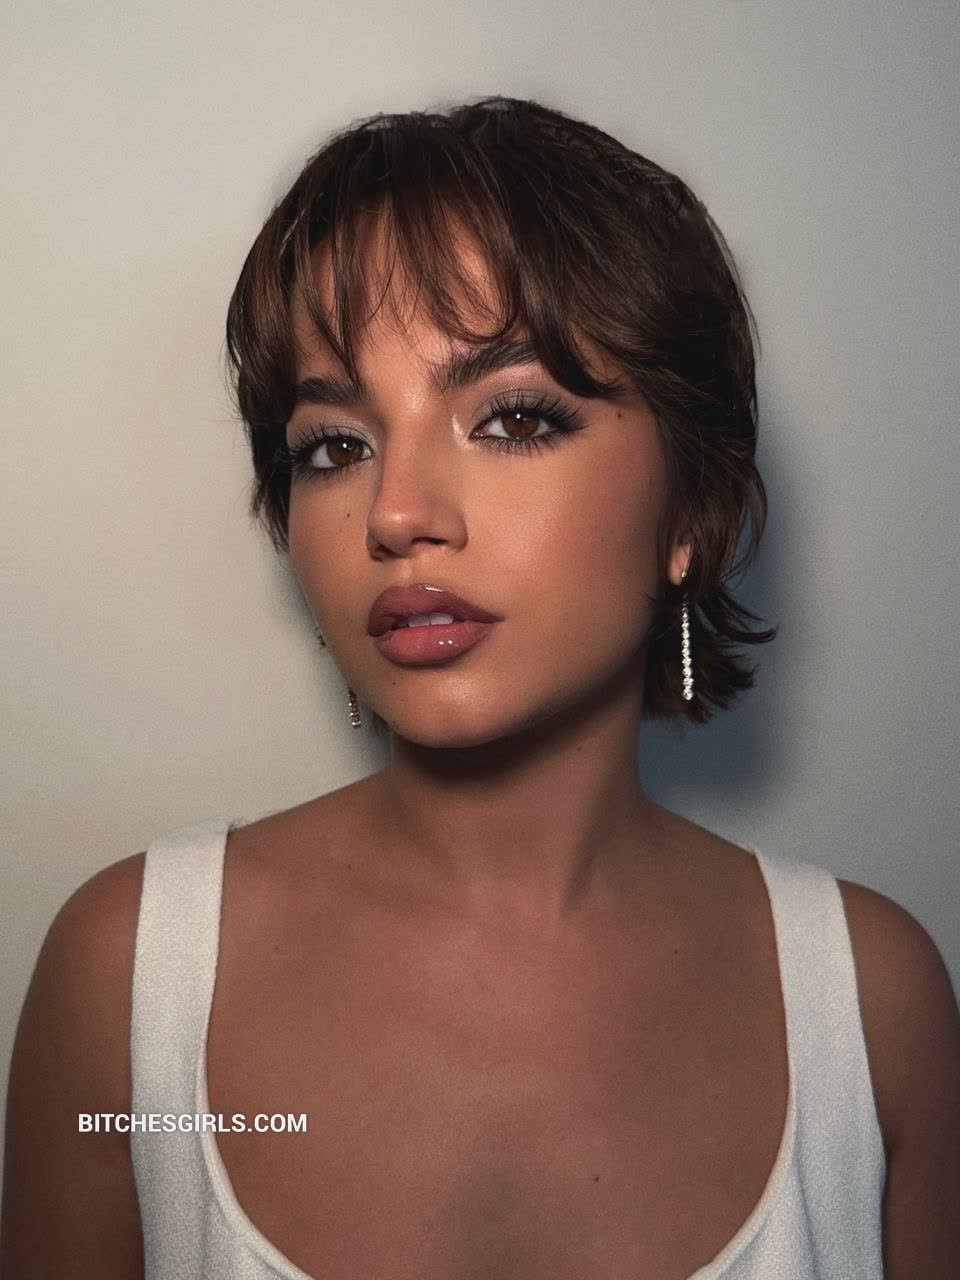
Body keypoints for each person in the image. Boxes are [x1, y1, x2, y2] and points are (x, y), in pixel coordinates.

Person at [2, 94, 958, 1280]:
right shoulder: (129, 981)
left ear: (690, 510)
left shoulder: (873, 1008)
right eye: (335, 446)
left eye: (512, 418)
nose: (396, 512)